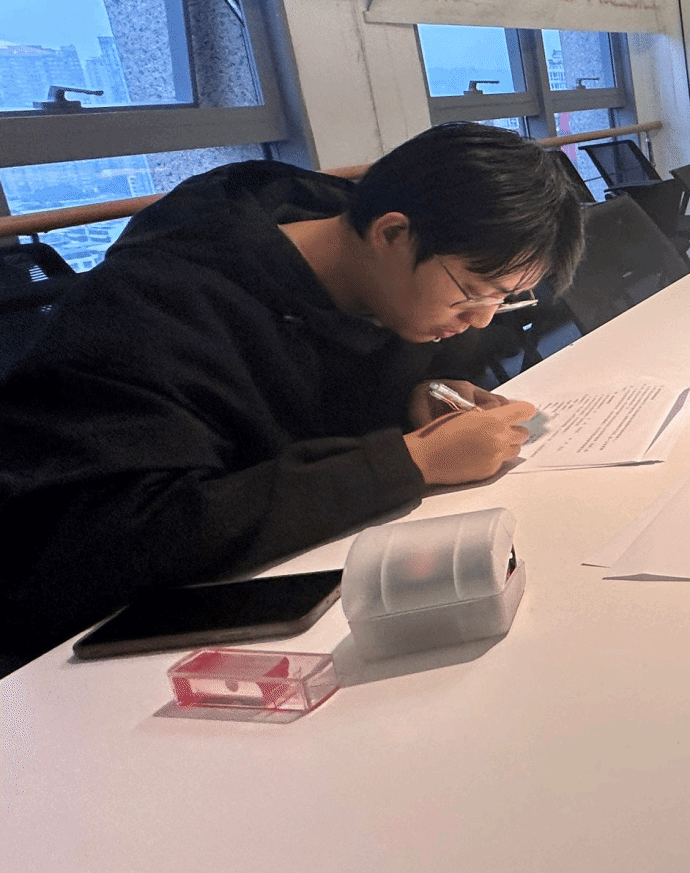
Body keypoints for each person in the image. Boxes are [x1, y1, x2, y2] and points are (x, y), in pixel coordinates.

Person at [0, 122, 583, 672]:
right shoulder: (151, 311)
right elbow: (132, 538)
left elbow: (357, 380)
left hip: (320, 577)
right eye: (471, 294)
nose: (479, 321)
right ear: (391, 233)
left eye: (503, 300)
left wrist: (423, 393)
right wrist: (415, 461)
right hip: (102, 654)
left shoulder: (382, 275)